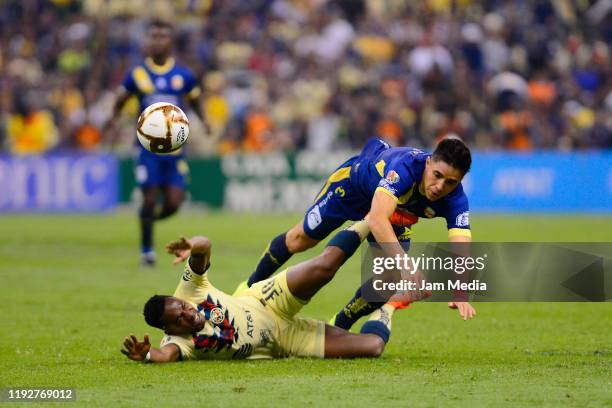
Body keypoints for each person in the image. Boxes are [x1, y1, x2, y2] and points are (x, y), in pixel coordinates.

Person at [241, 137, 476, 330]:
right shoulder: (404, 168)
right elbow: (376, 218)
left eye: (450, 182)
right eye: (437, 175)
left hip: (392, 211)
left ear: (460, 181)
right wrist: (408, 265)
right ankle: (247, 291)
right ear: (428, 164)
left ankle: (337, 328)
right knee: (299, 240)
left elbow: (461, 242)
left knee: (389, 280)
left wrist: (461, 291)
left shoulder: (456, 199)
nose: (440, 187)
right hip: (353, 188)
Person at [121, 220, 432, 363]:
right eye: (180, 317)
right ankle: (389, 306)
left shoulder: (190, 290)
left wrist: (193, 246)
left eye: (183, 306)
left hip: (266, 301)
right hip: (285, 341)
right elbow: (163, 355)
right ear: (169, 328)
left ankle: (371, 217)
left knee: (325, 267)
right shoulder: (180, 343)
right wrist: (146, 355)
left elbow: (203, 248)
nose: (188, 313)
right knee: (373, 348)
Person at [103, 19, 209, 266]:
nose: (157, 40)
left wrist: (204, 120)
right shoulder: (138, 74)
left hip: (175, 150)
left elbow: (195, 100)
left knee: (174, 203)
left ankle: (147, 219)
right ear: (147, 42)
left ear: (171, 42)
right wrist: (112, 119)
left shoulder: (183, 74)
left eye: (162, 36)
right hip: (147, 149)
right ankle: (147, 251)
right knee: (149, 198)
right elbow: (122, 98)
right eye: (153, 36)